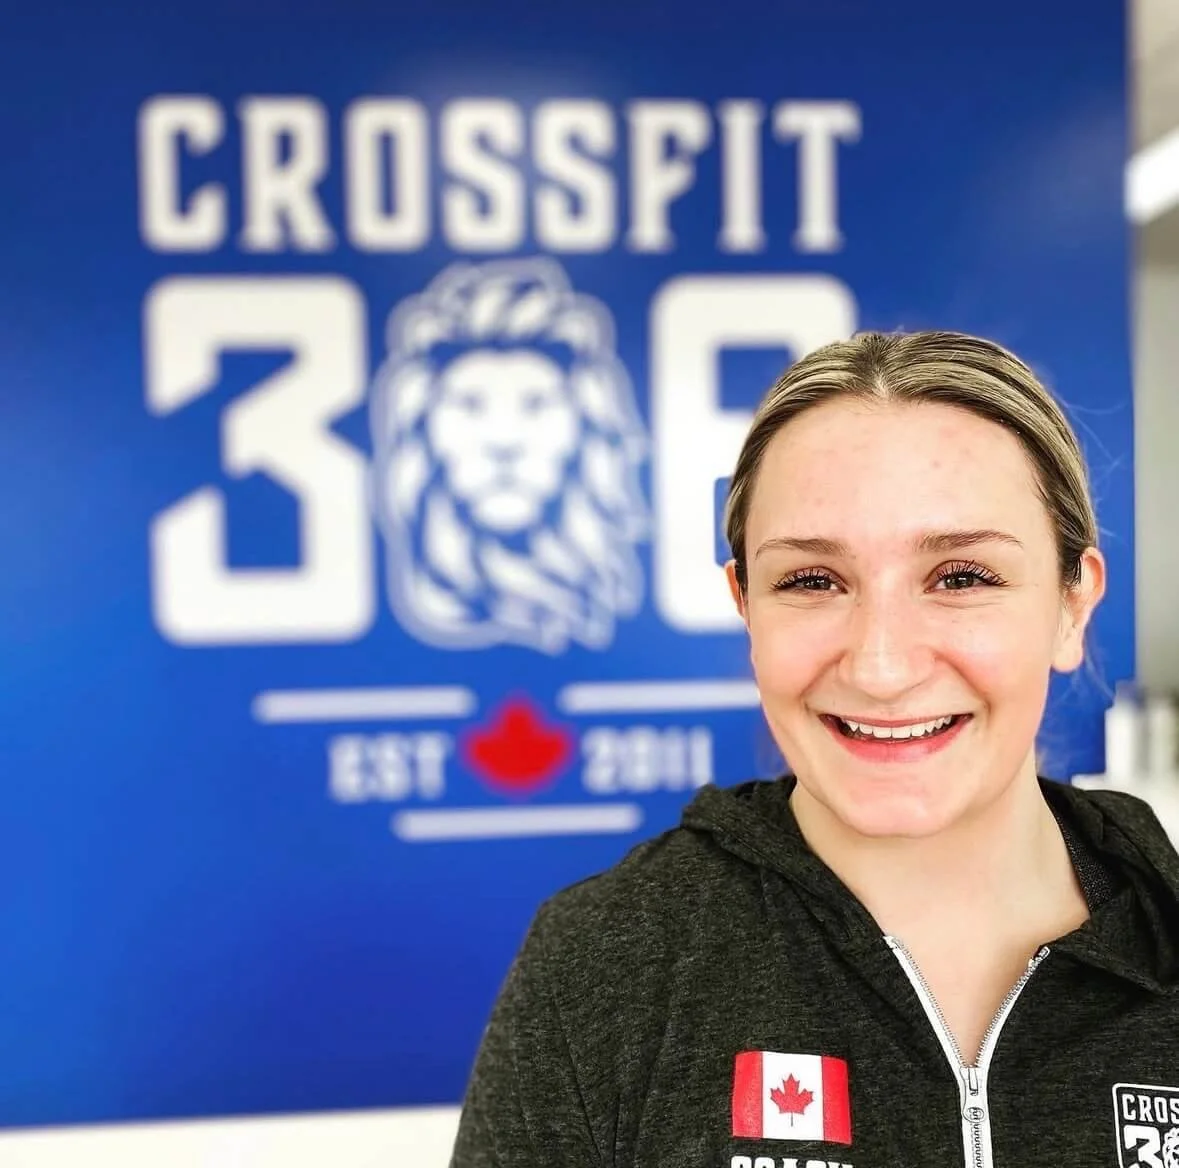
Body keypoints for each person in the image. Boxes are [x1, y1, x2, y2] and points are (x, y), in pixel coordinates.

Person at [449, 331, 1179, 1168]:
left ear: (1070, 604)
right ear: (745, 604)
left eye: (961, 577)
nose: (880, 666)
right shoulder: (600, 967)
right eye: (811, 581)